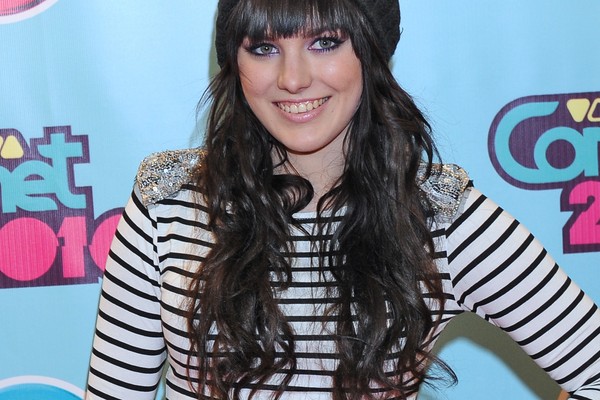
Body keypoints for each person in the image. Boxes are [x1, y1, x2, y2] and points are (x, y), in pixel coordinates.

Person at [85, 0, 600, 399]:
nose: (293, 79)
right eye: (263, 48)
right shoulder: (168, 204)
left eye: (325, 42)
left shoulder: (440, 217)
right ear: (233, 62)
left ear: (370, 52)